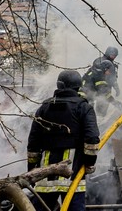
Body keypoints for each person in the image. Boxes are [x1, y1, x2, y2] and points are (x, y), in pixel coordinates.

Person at [27, 70, 100, 211]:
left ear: (59, 85)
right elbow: (91, 138)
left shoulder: (44, 108)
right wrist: (89, 163)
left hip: (46, 178)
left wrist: (31, 170)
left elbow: (33, 143)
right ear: (78, 86)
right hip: (73, 175)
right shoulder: (83, 107)